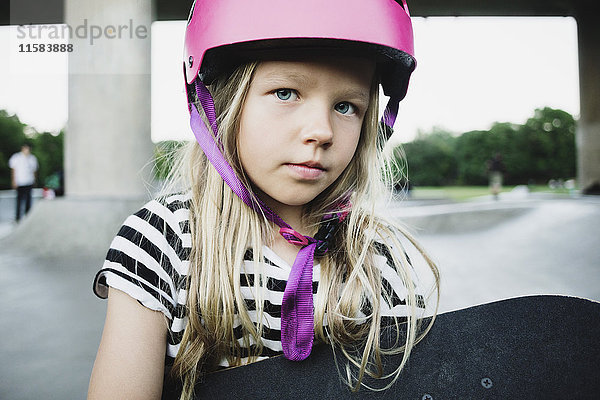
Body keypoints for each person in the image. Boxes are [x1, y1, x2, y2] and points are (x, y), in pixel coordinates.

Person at [88, 1, 440, 399]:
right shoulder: (161, 240)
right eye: (286, 93)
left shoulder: (376, 256)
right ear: (221, 104)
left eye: (346, 106)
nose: (321, 130)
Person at [8, 143, 38, 221]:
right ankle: (17, 218)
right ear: (22, 148)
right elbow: (13, 170)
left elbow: (34, 170)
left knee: (28, 200)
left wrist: (34, 180)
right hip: (20, 182)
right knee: (19, 200)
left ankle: (27, 217)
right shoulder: (16, 157)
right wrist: (14, 181)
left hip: (29, 182)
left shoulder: (32, 158)